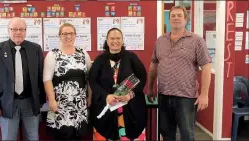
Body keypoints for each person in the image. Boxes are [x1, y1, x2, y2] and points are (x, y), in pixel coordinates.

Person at [147, 6, 212, 141]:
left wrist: (205, 94)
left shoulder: (196, 40)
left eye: (179, 15)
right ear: (169, 19)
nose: (176, 18)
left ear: (185, 19)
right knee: (166, 134)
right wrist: (150, 88)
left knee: (187, 135)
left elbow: (206, 67)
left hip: (186, 98)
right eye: (173, 16)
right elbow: (154, 64)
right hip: (164, 95)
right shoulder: (161, 40)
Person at [0, 17, 45, 140]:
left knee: (33, 137)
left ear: (25, 31)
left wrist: (41, 100)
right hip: (7, 104)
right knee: (8, 138)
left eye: (21, 29)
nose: (18, 32)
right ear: (8, 30)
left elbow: (40, 76)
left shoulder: (35, 49)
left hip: (30, 102)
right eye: (14, 29)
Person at [89, 28, 147, 140]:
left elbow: (142, 77)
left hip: (130, 110)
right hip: (106, 110)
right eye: (112, 38)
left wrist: (130, 94)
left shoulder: (131, 57)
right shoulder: (100, 60)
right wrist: (106, 96)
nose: (115, 41)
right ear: (107, 40)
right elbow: (93, 81)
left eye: (118, 38)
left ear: (122, 40)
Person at [43, 23, 92, 140]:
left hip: (79, 105)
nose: (68, 36)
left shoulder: (83, 53)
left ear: (75, 35)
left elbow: (90, 78)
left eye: (71, 33)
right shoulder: (53, 54)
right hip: (60, 105)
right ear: (60, 36)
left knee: (77, 136)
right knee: (61, 135)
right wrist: (51, 100)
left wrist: (90, 97)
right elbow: (47, 79)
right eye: (64, 33)